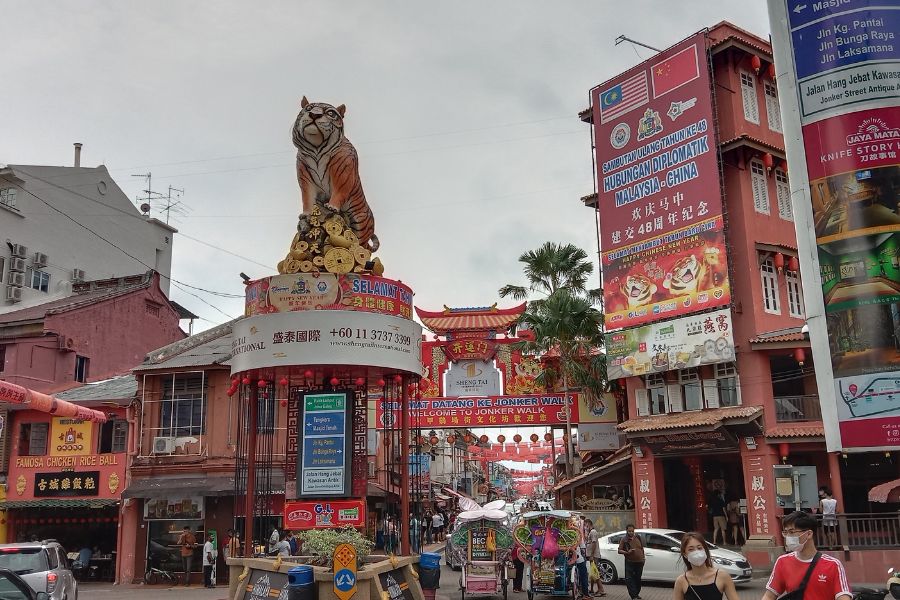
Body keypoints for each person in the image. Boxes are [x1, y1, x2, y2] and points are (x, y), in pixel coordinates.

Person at [763, 511, 850, 600]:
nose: (788, 537)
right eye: (786, 532)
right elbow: (769, 596)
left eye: (792, 532)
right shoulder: (782, 561)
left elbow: (843, 597)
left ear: (808, 534)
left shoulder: (833, 565)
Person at [673, 531, 739, 600]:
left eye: (699, 548)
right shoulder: (681, 581)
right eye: (691, 549)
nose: (696, 552)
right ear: (685, 554)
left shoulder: (722, 576)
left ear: (705, 550)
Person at [618, 524, 645, 600]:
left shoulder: (638, 537)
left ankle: (636, 594)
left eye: (632, 531)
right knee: (629, 579)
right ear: (626, 531)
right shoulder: (624, 539)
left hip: (639, 562)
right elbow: (619, 550)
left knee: (638, 579)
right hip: (630, 562)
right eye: (629, 531)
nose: (631, 533)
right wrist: (627, 552)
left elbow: (641, 548)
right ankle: (633, 596)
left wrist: (643, 558)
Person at [585, 520, 606, 597]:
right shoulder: (591, 532)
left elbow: (594, 543)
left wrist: (591, 555)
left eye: (586, 524)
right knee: (593, 572)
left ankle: (601, 590)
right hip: (593, 555)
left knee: (595, 572)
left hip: (594, 556)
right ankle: (592, 589)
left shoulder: (593, 532)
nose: (585, 526)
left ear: (589, 524)